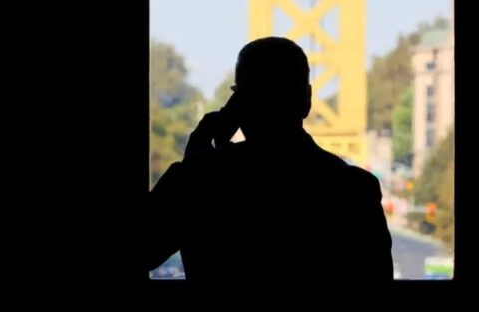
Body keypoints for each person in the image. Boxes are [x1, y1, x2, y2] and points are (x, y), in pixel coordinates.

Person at [147, 37, 393, 280]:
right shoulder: (356, 190)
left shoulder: (199, 181)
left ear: (239, 104)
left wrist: (192, 167)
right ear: (306, 100)